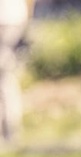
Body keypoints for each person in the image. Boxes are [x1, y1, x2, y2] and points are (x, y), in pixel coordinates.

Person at [0, 0, 31, 145]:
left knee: (4, 76)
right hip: (16, 17)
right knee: (5, 76)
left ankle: (9, 132)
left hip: (6, 18)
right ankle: (10, 132)